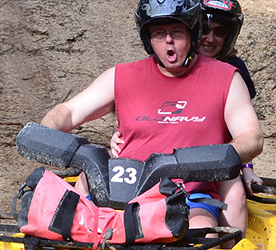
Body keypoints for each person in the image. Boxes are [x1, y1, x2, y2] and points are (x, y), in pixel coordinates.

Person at [41, 0, 263, 232]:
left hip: (190, 196)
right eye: (159, 33)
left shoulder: (227, 78)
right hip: (121, 193)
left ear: (191, 33)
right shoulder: (121, 76)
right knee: (61, 219)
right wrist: (47, 132)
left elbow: (252, 136)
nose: (168, 41)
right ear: (149, 39)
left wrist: (218, 155)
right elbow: (67, 112)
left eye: (177, 32)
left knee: (203, 236)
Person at [109, 0, 262, 235]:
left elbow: (243, 131)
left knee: (235, 193)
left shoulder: (231, 72)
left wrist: (246, 167)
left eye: (220, 32)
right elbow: (148, 111)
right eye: (205, 29)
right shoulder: (165, 63)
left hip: (214, 159)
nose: (210, 39)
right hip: (156, 165)